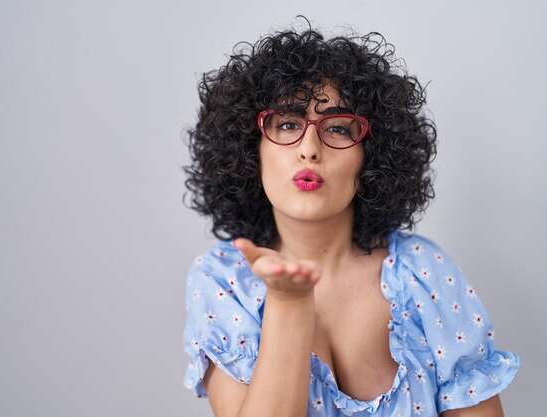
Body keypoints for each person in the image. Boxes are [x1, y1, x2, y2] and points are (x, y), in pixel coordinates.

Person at [181, 21, 520, 417]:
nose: (309, 149)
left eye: (338, 129)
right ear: (250, 153)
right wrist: (289, 304)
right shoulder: (223, 281)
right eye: (288, 124)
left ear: (370, 162)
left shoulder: (424, 274)